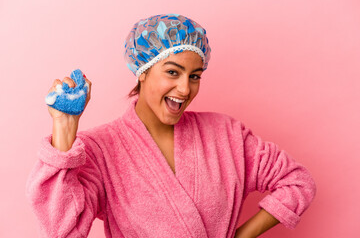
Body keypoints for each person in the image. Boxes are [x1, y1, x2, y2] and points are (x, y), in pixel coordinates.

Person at [26, 14, 316, 238]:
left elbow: (298, 182)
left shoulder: (226, 134)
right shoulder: (100, 149)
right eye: (173, 72)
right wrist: (65, 128)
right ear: (142, 72)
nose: (185, 88)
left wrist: (242, 235)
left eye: (195, 76)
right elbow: (61, 228)